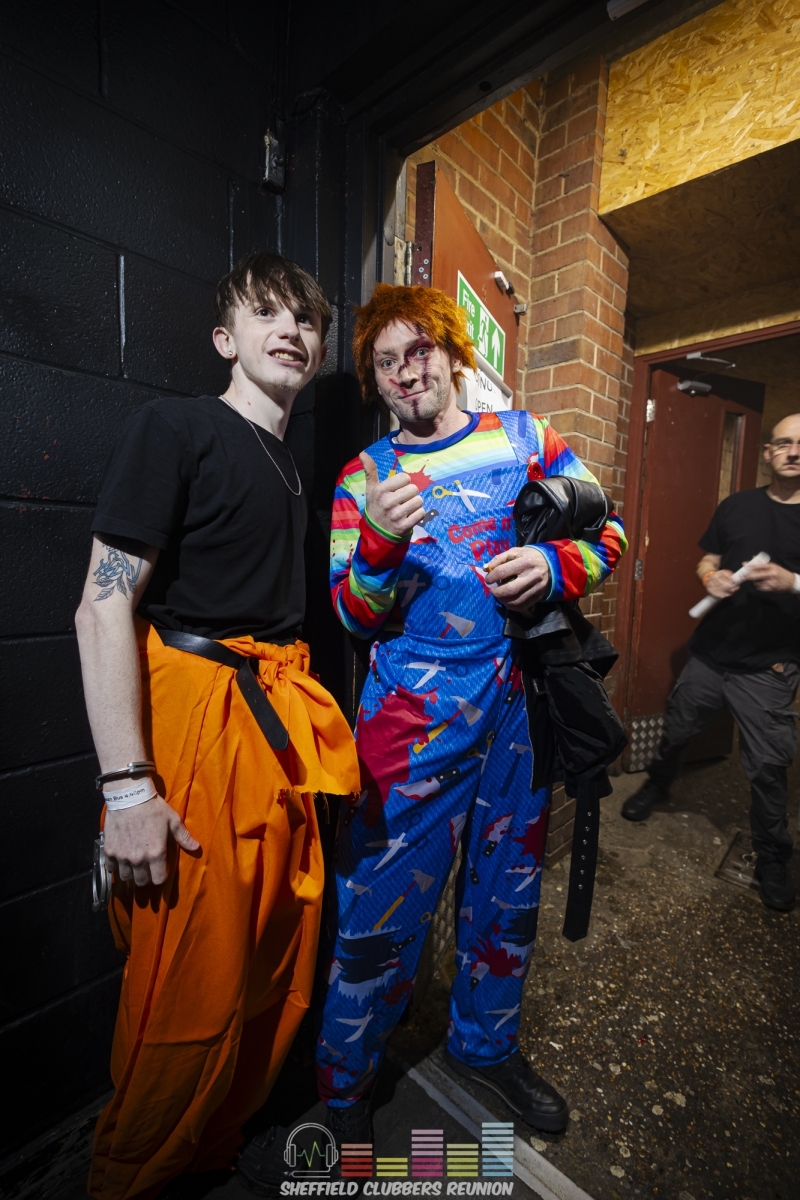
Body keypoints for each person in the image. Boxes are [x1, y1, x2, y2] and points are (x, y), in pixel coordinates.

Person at [75, 251, 360, 1200]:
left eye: (306, 319)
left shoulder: (293, 468)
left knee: (271, 957)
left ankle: (209, 1149)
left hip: (276, 722)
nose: (290, 329)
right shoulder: (179, 427)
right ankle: (131, 1179)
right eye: (265, 312)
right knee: (187, 977)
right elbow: (101, 607)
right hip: (201, 719)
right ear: (224, 338)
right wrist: (128, 789)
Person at [314, 283, 627, 1141]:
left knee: (508, 894)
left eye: (420, 350)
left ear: (454, 354)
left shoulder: (526, 439)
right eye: (387, 362)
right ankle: (343, 1091)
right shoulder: (363, 478)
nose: (406, 371)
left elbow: (608, 530)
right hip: (411, 723)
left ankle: (484, 1048)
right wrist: (379, 540)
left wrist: (554, 568)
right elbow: (352, 616)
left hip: (518, 709)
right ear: (377, 382)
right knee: (379, 906)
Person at [622, 413, 800, 913]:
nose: (794, 452)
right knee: (678, 727)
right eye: (784, 443)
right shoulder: (737, 505)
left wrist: (793, 582)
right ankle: (658, 784)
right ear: (768, 452)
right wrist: (710, 579)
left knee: (767, 766)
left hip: (770, 667)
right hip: (711, 653)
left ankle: (772, 857)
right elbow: (708, 559)